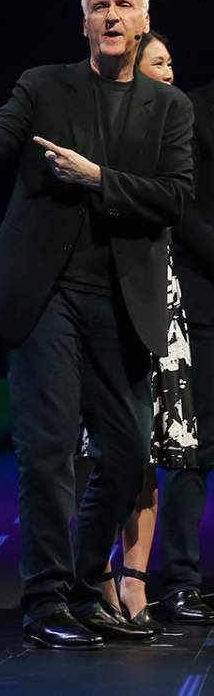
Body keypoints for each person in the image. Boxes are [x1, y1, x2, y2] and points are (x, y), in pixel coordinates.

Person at [0, 0, 194, 649]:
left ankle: (83, 585)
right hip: (42, 300)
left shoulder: (168, 108)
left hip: (123, 305)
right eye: (100, 6)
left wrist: (97, 178)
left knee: (126, 456)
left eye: (125, 5)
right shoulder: (46, 86)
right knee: (48, 452)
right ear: (84, 20)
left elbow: (175, 197)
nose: (112, 16)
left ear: (143, 19)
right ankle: (45, 605)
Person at [81, 30, 189, 636]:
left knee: (149, 450)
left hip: (159, 300)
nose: (167, 72)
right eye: (157, 63)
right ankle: (90, 576)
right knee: (100, 451)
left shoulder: (176, 132)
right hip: (99, 294)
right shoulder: (100, 126)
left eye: (171, 62)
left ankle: (137, 579)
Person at [157, 59, 214, 625]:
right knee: (194, 448)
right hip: (206, 301)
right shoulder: (193, 111)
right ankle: (180, 581)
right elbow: (184, 209)